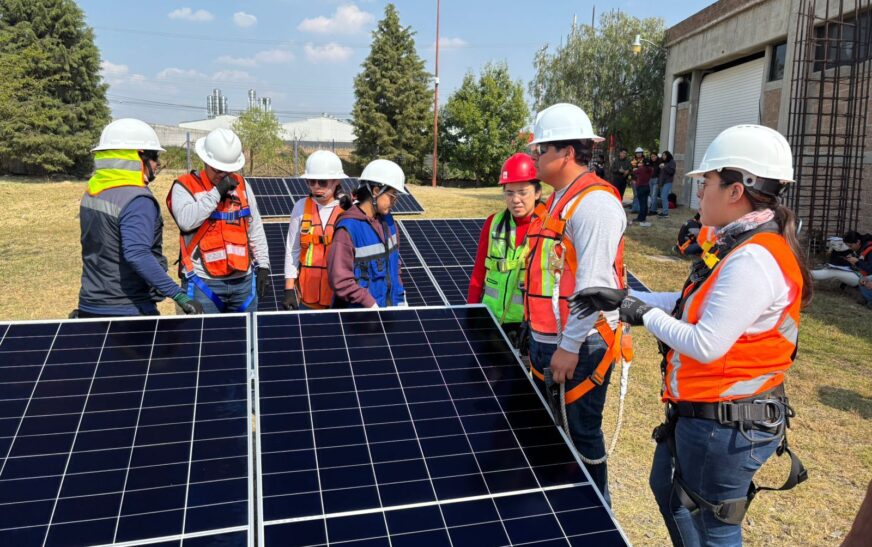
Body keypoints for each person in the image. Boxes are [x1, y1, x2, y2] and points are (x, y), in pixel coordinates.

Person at [570, 124, 811, 546]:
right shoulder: (738, 245)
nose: (699, 193)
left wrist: (638, 312)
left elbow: (706, 342)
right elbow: (690, 303)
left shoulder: (753, 258)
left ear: (737, 191)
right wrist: (621, 298)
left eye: (708, 183)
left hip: (728, 424)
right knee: (669, 493)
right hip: (708, 413)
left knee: (714, 527)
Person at [524, 103, 628, 506]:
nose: (536, 157)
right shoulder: (558, 199)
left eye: (542, 150)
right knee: (553, 437)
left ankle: (593, 520)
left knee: (581, 436)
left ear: (567, 153)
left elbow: (595, 285)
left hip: (581, 347)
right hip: (549, 340)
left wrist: (568, 346)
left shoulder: (595, 204)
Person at [76, 119, 203, 318]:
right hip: (126, 310)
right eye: (154, 157)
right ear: (138, 157)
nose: (158, 164)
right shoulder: (137, 200)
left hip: (90, 304)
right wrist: (179, 295)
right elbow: (137, 254)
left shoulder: (94, 191)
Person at [167, 128, 271, 313]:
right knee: (205, 339)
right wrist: (217, 192)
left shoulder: (242, 185)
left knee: (245, 340)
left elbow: (255, 227)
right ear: (205, 160)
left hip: (243, 282)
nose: (223, 175)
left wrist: (263, 265)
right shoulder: (185, 186)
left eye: (228, 170)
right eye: (218, 170)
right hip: (203, 283)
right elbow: (186, 221)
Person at [467, 153, 541, 345]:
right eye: (509, 193)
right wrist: (472, 310)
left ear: (538, 192)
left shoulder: (547, 228)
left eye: (523, 192)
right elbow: (478, 272)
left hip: (528, 324)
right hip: (490, 317)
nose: (516, 199)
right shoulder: (493, 223)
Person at [328, 159, 408, 308]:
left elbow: (395, 264)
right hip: (359, 318)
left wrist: (400, 297)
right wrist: (369, 303)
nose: (394, 201)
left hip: (387, 310)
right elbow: (340, 280)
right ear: (376, 191)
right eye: (392, 195)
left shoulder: (389, 222)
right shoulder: (348, 229)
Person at [283, 150, 350, 310]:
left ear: (336, 181)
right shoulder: (300, 207)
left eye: (322, 182)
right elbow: (292, 250)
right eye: (311, 181)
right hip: (308, 295)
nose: (316, 187)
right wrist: (289, 288)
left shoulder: (348, 209)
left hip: (338, 296)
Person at [631, 154, 654, 226]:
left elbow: (634, 172)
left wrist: (637, 168)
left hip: (640, 187)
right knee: (645, 203)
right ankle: (644, 217)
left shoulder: (641, 169)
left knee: (641, 204)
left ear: (643, 163)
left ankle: (640, 218)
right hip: (647, 186)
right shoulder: (651, 169)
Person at [658, 151, 676, 217]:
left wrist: (664, 167)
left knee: (664, 196)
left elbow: (672, 171)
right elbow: (662, 174)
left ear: (668, 155)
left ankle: (665, 213)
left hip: (668, 181)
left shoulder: (672, 162)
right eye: (662, 155)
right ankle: (664, 211)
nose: (663, 157)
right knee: (663, 196)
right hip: (663, 182)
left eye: (664, 155)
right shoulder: (664, 162)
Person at [630, 147, 645, 214]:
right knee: (636, 194)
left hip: (642, 180)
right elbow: (630, 170)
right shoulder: (633, 161)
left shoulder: (645, 160)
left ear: (642, 153)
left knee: (640, 194)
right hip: (634, 180)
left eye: (640, 153)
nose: (638, 154)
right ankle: (634, 208)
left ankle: (638, 208)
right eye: (637, 153)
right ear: (635, 154)